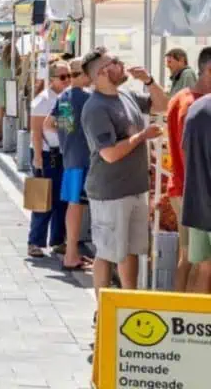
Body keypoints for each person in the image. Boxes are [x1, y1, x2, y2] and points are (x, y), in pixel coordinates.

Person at [80, 48, 168, 300]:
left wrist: (149, 81)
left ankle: (129, 302)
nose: (121, 64)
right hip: (110, 191)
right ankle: (103, 310)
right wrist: (142, 136)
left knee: (131, 249)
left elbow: (163, 106)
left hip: (134, 187)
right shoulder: (95, 107)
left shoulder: (126, 96)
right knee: (108, 252)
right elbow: (108, 154)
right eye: (114, 62)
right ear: (101, 73)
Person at [166, 46, 211, 292]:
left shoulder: (183, 98)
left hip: (185, 188)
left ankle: (181, 310)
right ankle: (183, 313)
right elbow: (190, 154)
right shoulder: (192, 104)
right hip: (191, 190)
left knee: (192, 259)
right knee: (195, 261)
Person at [44, 58, 93, 271]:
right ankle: (73, 254)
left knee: (74, 206)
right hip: (84, 158)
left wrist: (67, 137)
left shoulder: (64, 96)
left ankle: (71, 252)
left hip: (70, 156)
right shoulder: (88, 97)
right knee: (78, 207)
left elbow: (50, 124)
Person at [27, 61, 71, 259]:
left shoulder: (66, 98)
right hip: (46, 154)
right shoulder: (43, 100)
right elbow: (36, 132)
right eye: (63, 77)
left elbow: (66, 127)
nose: (67, 80)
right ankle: (35, 241)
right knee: (42, 198)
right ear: (52, 79)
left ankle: (57, 240)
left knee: (62, 200)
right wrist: (37, 157)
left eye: (69, 76)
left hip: (62, 154)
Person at [180, 48, 211, 294]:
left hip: (198, 203)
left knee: (202, 268)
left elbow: (185, 152)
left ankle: (192, 326)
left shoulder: (196, 108)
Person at [0, 42, 16, 147]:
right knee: (7, 116)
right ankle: (4, 138)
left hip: (0, 89)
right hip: (10, 88)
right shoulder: (15, 61)